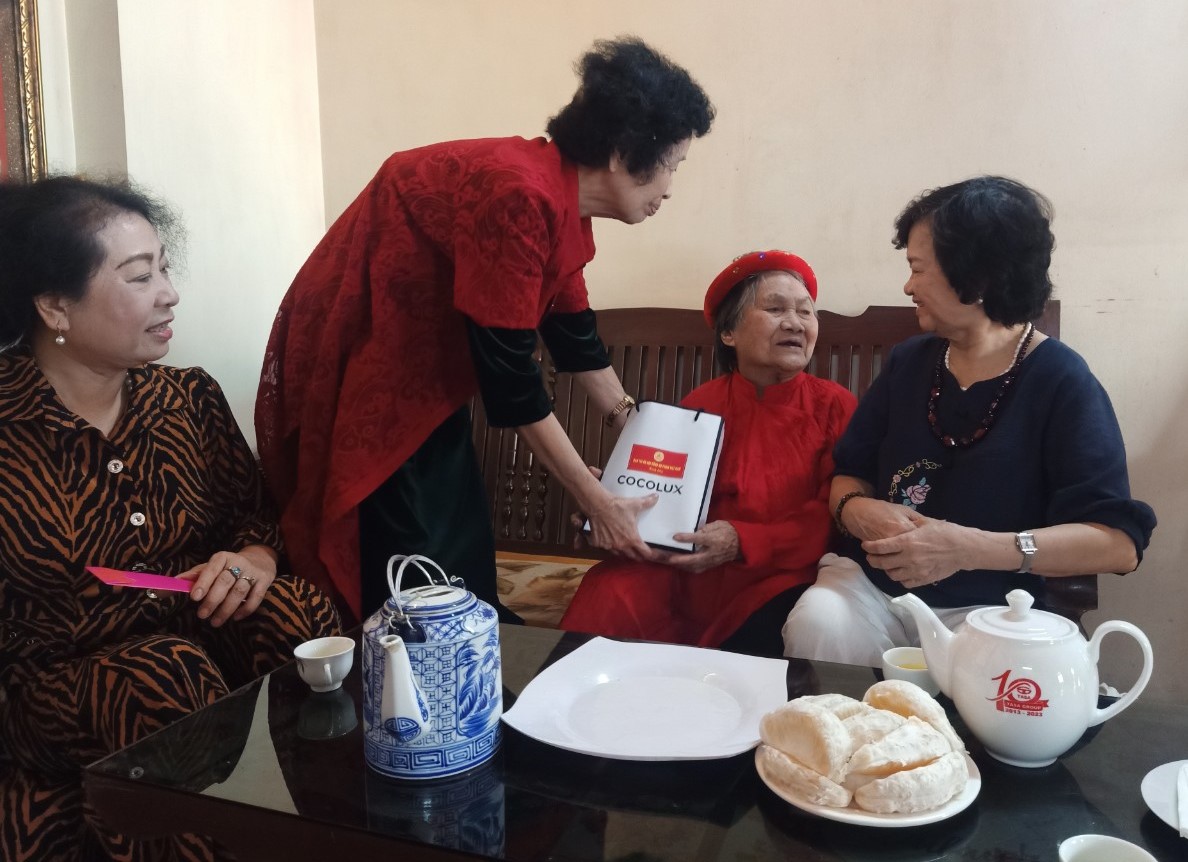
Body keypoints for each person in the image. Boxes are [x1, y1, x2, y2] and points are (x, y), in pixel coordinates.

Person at [254, 36, 714, 624]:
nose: (670, 187)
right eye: (672, 164)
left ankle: (472, 651)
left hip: (428, 374)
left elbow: (573, 335)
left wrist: (636, 434)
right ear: (624, 154)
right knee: (410, 570)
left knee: (460, 546)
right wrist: (596, 500)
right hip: (371, 357)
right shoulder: (519, 192)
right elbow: (510, 383)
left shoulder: (559, 197)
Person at [0, 176, 340, 861]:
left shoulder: (186, 398)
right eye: (139, 276)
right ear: (55, 305)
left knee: (296, 614)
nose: (170, 293)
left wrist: (252, 563)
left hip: (192, 634)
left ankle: (339, 829)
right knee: (160, 676)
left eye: (164, 267)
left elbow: (255, 520)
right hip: (49, 683)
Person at [782, 176, 1156, 665]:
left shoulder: (1062, 381)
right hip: (874, 593)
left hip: (991, 607)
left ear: (976, 279)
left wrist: (968, 549)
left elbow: (1118, 544)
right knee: (817, 622)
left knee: (998, 667)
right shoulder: (909, 362)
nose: (908, 286)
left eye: (917, 269)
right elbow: (849, 474)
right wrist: (856, 510)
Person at [560, 251, 857, 656]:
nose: (795, 323)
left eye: (806, 312)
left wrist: (742, 540)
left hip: (779, 574)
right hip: (689, 569)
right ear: (728, 333)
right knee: (609, 590)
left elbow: (833, 514)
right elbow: (663, 492)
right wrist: (612, 500)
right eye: (775, 309)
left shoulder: (835, 407)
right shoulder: (700, 404)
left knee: (766, 629)